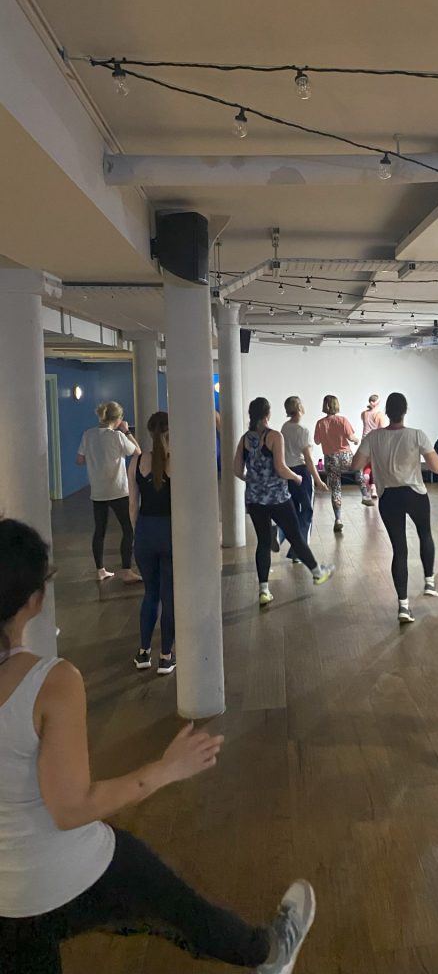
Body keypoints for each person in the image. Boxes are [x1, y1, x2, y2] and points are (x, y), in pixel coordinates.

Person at [0, 517, 315, 974]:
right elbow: (70, 808)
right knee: (176, 908)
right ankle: (270, 953)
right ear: (34, 598)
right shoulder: (49, 682)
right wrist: (168, 767)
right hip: (60, 873)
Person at [352, 393, 438, 624]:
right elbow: (437, 468)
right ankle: (429, 582)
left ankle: (403, 606)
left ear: (387, 412)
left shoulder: (374, 437)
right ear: (405, 410)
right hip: (415, 493)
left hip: (389, 496)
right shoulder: (416, 435)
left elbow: (356, 465)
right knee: (425, 535)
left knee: (399, 550)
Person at [235, 398, 334, 607]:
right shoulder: (273, 436)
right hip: (278, 498)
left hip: (254, 499)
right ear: (267, 414)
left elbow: (237, 470)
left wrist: (253, 481)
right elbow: (280, 467)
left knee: (262, 542)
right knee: (295, 536)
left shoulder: (245, 438)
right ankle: (317, 572)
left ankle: (264, 590)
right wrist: (296, 478)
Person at [128, 412, 176, 676]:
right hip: (169, 531)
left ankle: (144, 652)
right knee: (169, 597)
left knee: (150, 594)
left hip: (145, 532)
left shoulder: (136, 461)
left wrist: (139, 533)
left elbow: (132, 505)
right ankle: (166, 656)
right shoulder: (174, 462)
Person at [76, 401, 143, 584]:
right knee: (127, 529)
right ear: (118, 418)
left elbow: (80, 460)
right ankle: (126, 570)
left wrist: (95, 459)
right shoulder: (117, 437)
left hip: (97, 491)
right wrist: (127, 431)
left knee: (99, 530)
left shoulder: (88, 435)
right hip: (118, 490)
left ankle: (100, 570)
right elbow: (138, 452)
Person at [278, 396, 328, 563]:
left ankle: (280, 535)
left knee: (293, 511)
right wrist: (318, 480)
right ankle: (299, 551)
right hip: (302, 473)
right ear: (299, 408)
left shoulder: (284, 428)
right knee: (306, 511)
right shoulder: (303, 430)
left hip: (288, 473)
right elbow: (307, 459)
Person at [314, 395, 372, 533]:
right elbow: (351, 438)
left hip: (330, 458)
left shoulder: (320, 423)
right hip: (345, 455)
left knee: (336, 489)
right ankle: (364, 495)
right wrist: (357, 440)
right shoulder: (342, 420)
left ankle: (338, 519)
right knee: (358, 469)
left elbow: (316, 441)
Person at [360, 394, 386, 499]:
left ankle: (366, 484)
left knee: (367, 465)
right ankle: (374, 489)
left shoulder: (364, 414)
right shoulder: (380, 415)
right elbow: (382, 430)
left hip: (365, 441)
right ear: (378, 403)